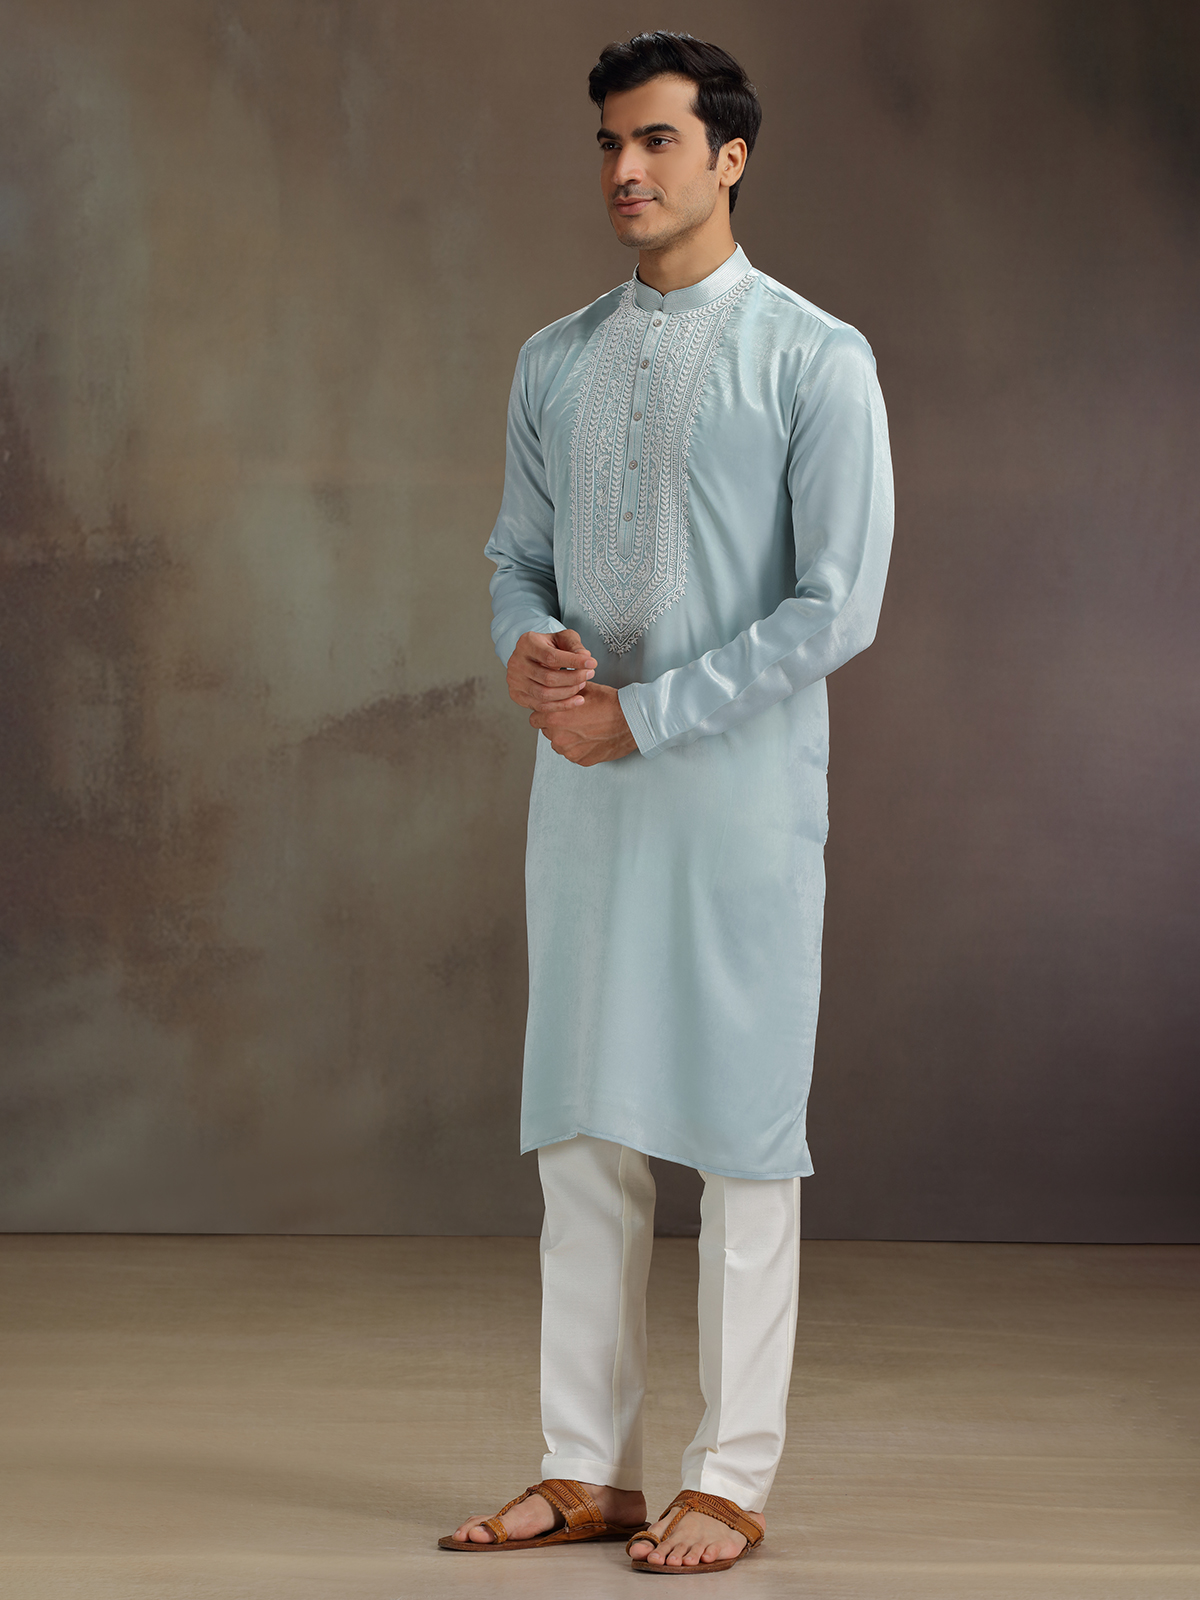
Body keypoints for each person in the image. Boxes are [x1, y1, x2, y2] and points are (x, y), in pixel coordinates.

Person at [438, 31, 893, 1574]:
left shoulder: (813, 357)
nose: (625, 171)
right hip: (583, 790)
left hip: (735, 803)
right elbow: (517, 558)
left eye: (657, 142)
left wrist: (647, 713)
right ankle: (587, 1469)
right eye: (609, 145)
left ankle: (730, 1476)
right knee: (583, 1135)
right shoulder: (555, 358)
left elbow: (838, 605)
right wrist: (526, 650)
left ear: (730, 156)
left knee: (744, 1138)